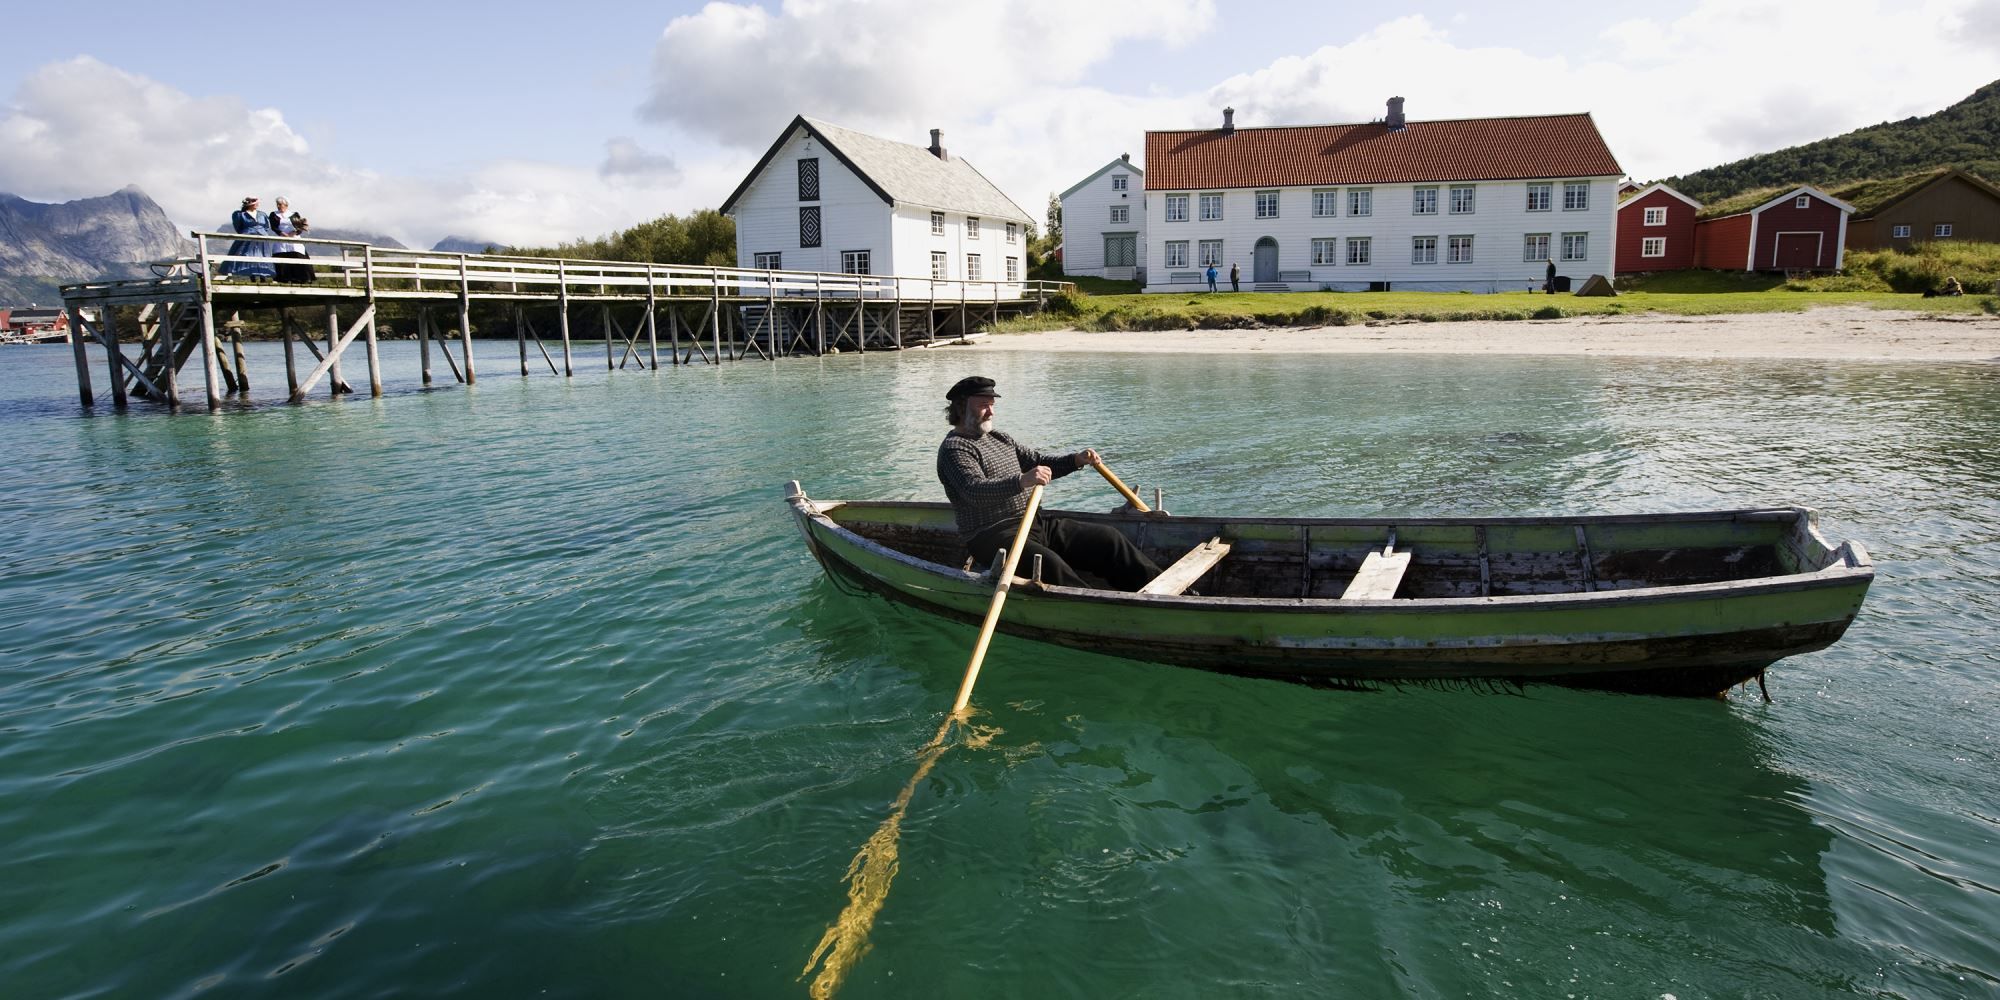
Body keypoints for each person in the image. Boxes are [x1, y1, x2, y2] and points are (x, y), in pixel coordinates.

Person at [937, 376, 1164, 591]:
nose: (991, 412)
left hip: (1034, 522)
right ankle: (1096, 611)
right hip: (991, 536)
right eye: (983, 405)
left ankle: (1164, 592)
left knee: (1108, 539)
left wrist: (1075, 460)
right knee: (1050, 565)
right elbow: (974, 491)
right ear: (961, 407)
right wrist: (1022, 481)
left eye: (992, 405)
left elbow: (1038, 462)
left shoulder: (1000, 438)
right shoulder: (955, 449)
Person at [222, 196, 276, 279]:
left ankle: (263, 276)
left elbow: (266, 226)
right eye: (254, 203)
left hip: (262, 237)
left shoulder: (262, 214)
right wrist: (247, 232)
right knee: (248, 255)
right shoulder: (241, 214)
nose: (256, 204)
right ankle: (252, 276)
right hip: (248, 236)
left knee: (262, 255)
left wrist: (262, 232)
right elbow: (238, 227)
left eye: (256, 203)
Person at [268, 197, 312, 284]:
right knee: (281, 256)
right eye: (278, 204)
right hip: (281, 238)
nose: (279, 206)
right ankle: (283, 278)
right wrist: (281, 233)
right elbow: (273, 227)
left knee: (296, 255)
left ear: (286, 205)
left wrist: (295, 232)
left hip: (293, 237)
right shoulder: (273, 214)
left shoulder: (294, 214)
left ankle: (300, 278)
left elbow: (300, 226)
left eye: (281, 204)